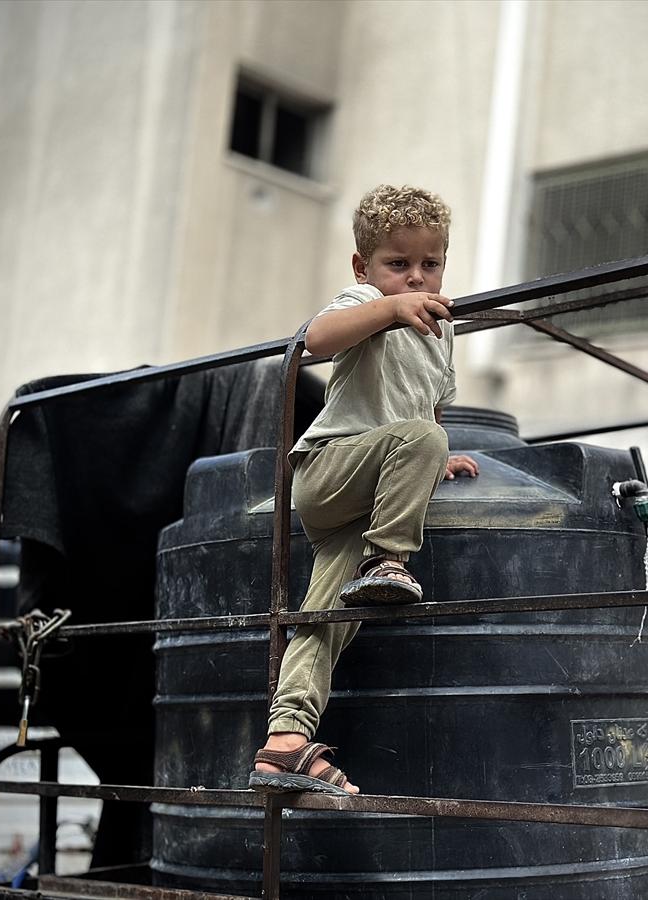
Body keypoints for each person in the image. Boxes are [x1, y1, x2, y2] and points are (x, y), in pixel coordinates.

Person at [247, 184, 478, 796]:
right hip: (329, 471)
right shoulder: (364, 301)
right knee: (420, 438)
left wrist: (435, 457)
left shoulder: (441, 330)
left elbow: (428, 408)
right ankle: (390, 562)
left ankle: (285, 740)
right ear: (363, 266)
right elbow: (312, 342)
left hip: (374, 489)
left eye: (429, 264)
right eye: (397, 264)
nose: (414, 278)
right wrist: (388, 309)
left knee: (327, 614)